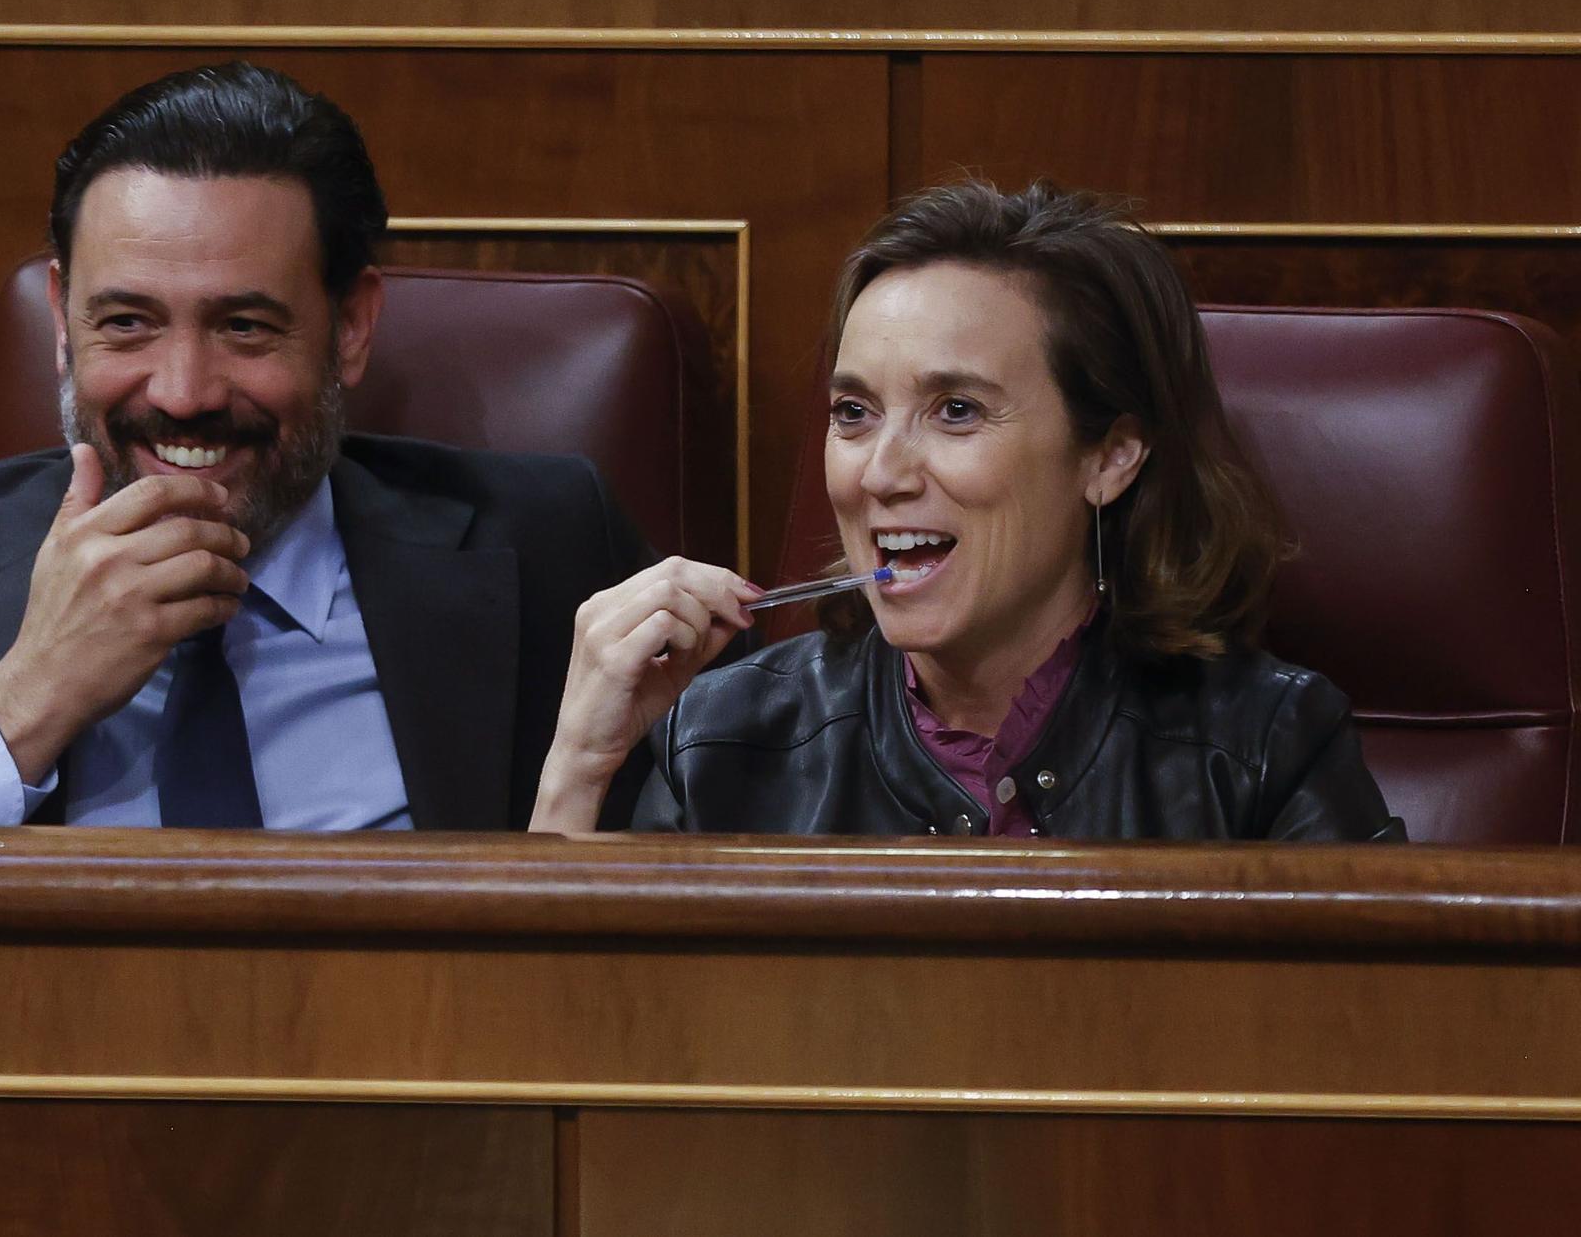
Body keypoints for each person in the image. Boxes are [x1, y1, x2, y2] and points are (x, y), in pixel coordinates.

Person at [0, 61, 656, 830]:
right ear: (60, 318)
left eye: (245, 327)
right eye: (126, 323)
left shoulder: (547, 542)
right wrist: (23, 706)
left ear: (353, 327)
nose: (183, 393)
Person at [532, 180, 1405, 841]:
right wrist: (578, 769)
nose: (880, 473)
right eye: (853, 413)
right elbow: (575, 1054)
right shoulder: (720, 738)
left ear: (1110, 456)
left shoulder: (1269, 749)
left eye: (956, 411)